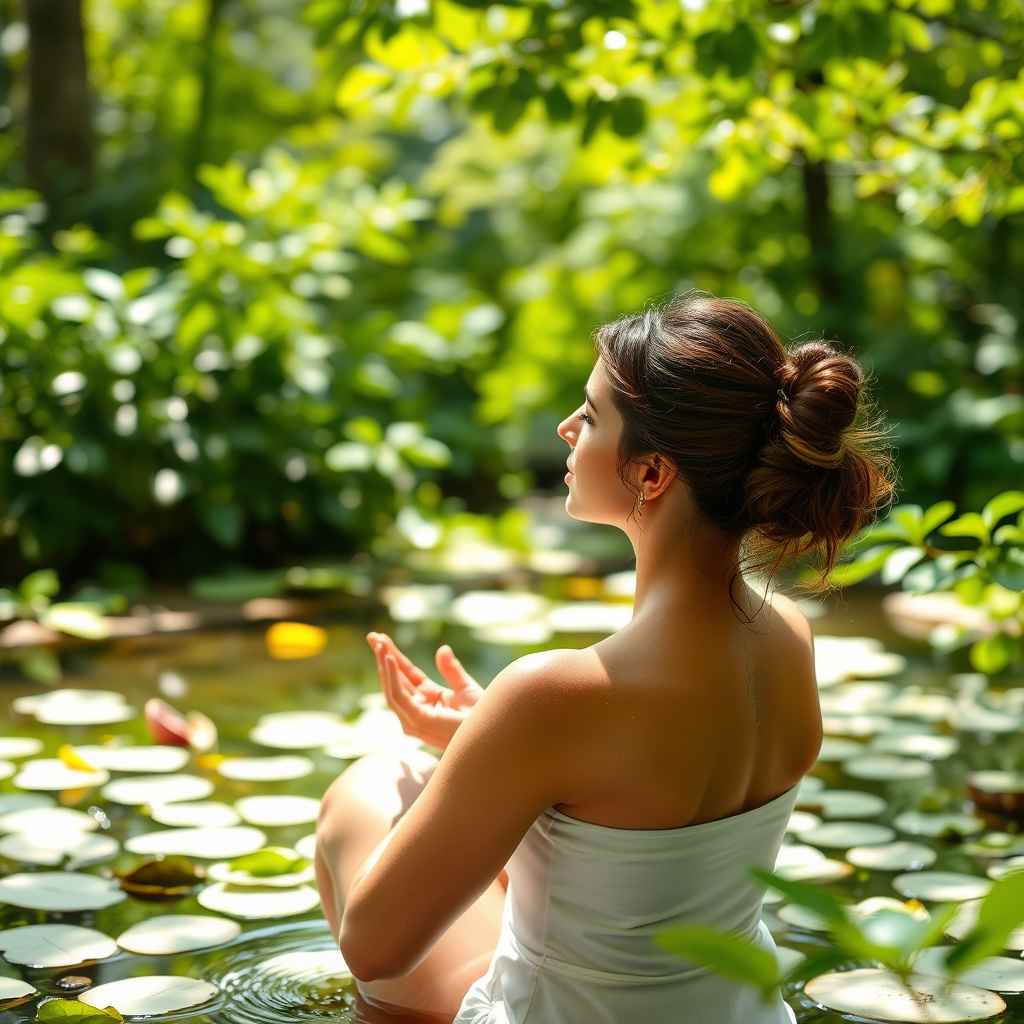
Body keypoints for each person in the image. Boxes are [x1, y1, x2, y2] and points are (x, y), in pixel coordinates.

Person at [314, 293, 895, 1024]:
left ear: (652, 474)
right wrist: (482, 741)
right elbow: (652, 805)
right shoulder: (789, 640)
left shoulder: (549, 695)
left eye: (588, 417)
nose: (564, 428)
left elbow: (374, 948)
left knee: (370, 789)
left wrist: (497, 739)